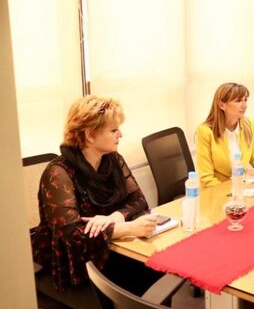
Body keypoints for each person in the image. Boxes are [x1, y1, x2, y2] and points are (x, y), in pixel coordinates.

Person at [31, 96, 161, 306]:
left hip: (106, 250)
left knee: (159, 273)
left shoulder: (113, 160)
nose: (121, 135)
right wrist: (127, 228)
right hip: (69, 263)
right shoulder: (58, 173)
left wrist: (113, 217)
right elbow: (72, 236)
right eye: (113, 130)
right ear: (90, 135)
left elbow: (138, 200)